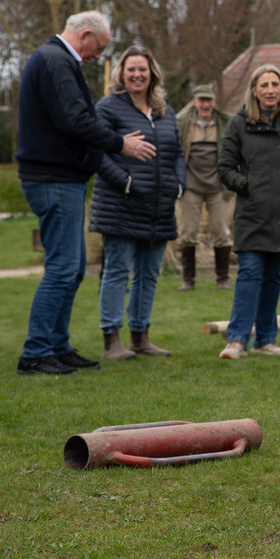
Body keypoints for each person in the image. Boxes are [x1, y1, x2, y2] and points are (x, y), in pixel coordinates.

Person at [15, 11, 156, 376]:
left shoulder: (53, 59)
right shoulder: (57, 60)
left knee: (73, 268)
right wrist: (118, 144)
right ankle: (36, 352)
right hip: (54, 180)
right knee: (62, 268)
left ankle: (57, 346)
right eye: (100, 48)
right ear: (87, 35)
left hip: (60, 178)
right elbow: (75, 120)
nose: (98, 56)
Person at [90, 45, 186, 360]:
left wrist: (179, 184)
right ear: (121, 73)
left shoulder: (165, 110)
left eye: (142, 69)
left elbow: (177, 152)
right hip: (121, 206)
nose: (137, 74)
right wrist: (125, 182)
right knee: (117, 272)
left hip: (158, 208)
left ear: (152, 73)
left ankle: (141, 337)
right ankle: (111, 340)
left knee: (149, 275)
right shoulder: (108, 107)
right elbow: (96, 152)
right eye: (131, 69)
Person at [217, 64, 280, 359]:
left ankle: (265, 339)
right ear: (254, 91)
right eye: (264, 85)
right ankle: (236, 340)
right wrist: (249, 186)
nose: (271, 90)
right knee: (249, 274)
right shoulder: (238, 124)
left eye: (275, 84)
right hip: (253, 215)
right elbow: (224, 168)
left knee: (274, 278)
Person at [175, 83, 233, 291]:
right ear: (194, 102)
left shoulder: (226, 123)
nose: (206, 105)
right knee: (188, 232)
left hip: (219, 186)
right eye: (202, 100)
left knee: (221, 231)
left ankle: (222, 279)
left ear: (214, 103)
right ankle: (188, 279)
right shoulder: (182, 123)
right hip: (191, 185)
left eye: (209, 100)